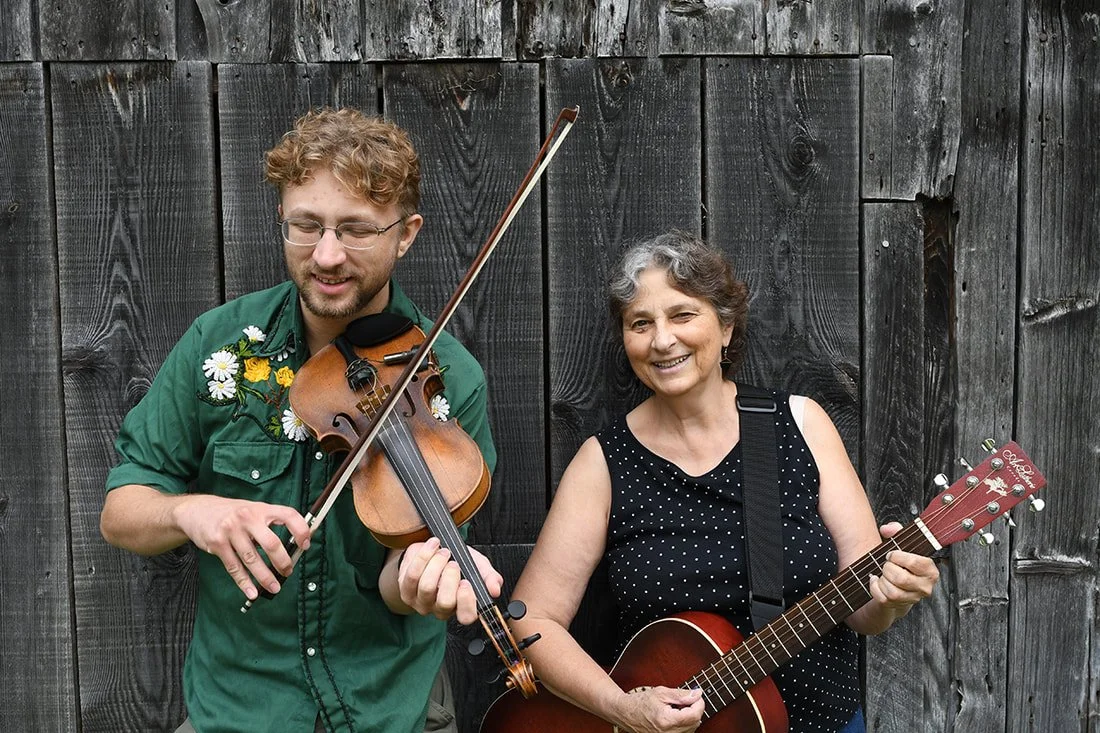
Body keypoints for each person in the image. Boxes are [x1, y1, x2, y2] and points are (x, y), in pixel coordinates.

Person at [100, 107, 503, 733]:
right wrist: (193, 512)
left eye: (356, 230)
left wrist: (428, 580)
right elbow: (121, 509)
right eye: (305, 226)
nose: (328, 255)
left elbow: (404, 575)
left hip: (389, 710)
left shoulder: (445, 377)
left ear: (406, 233)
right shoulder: (219, 345)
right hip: (239, 712)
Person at [508, 231, 940, 733]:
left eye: (682, 315)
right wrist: (620, 708)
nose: (662, 339)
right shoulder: (604, 463)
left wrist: (892, 598)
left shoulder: (801, 425)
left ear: (727, 327)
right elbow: (531, 621)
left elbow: (862, 609)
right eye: (640, 323)